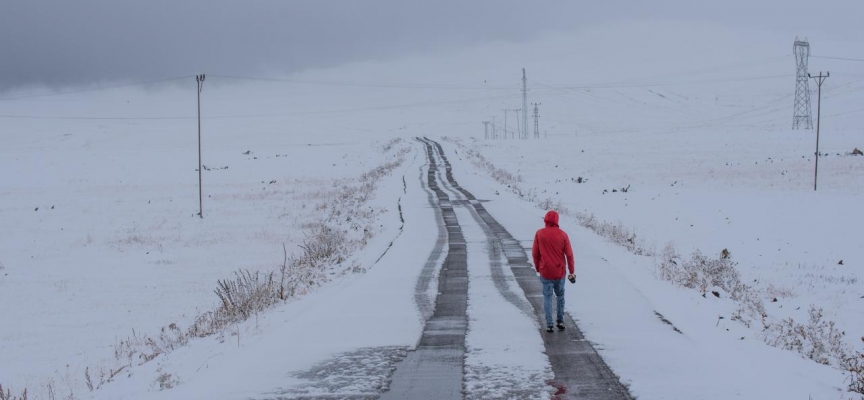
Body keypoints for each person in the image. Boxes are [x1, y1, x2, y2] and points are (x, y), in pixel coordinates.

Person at [531, 210, 575, 333]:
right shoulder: (563, 235)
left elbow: (535, 253)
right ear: (557, 221)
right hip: (559, 271)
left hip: (545, 271)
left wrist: (538, 267)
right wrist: (572, 271)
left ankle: (549, 324)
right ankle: (560, 320)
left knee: (547, 297)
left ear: (545, 220)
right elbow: (569, 255)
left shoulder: (539, 234)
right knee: (560, 296)